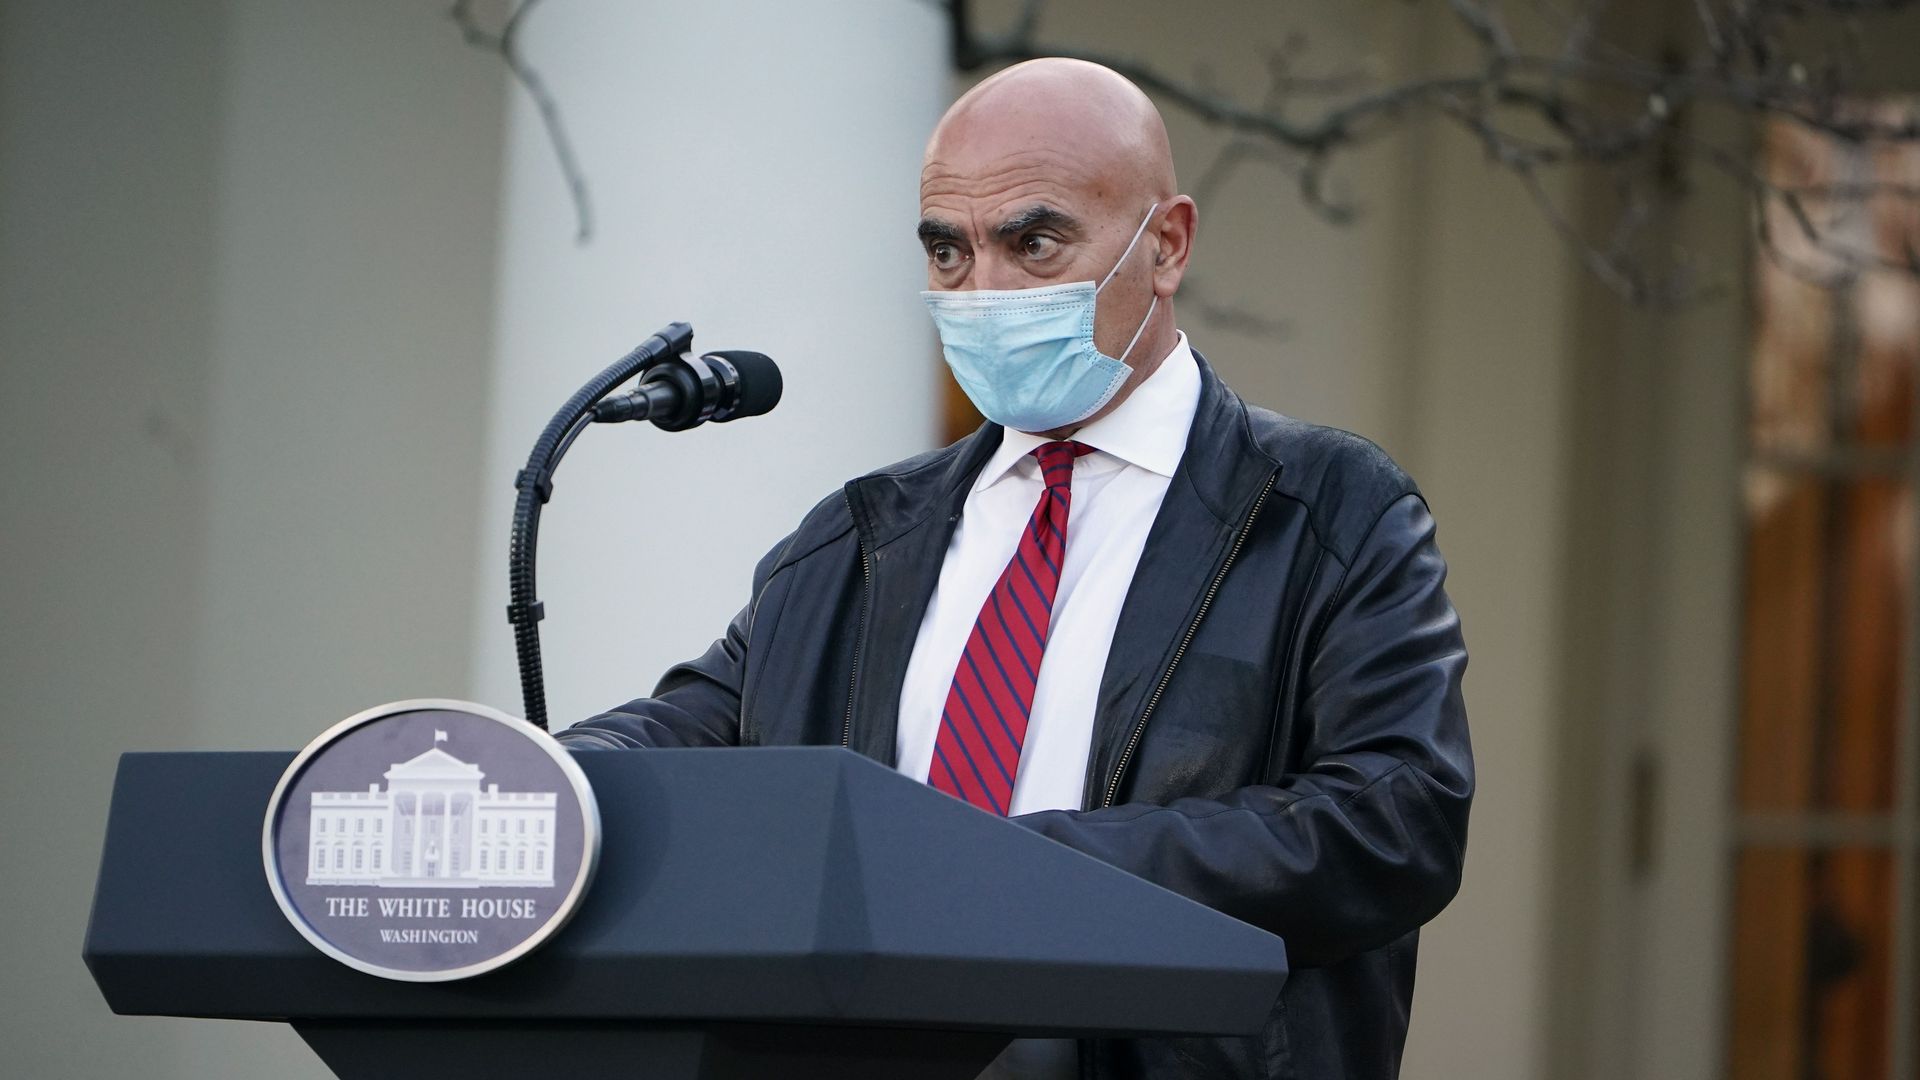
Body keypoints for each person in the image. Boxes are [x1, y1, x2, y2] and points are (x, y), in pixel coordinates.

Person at [558, 57, 1473, 1080]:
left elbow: (1394, 819)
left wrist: (1015, 872)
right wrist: (528, 784)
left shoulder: (1329, 511)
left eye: (1032, 243)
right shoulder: (860, 538)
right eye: (949, 252)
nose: (984, 291)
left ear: (1165, 245)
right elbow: (691, 733)